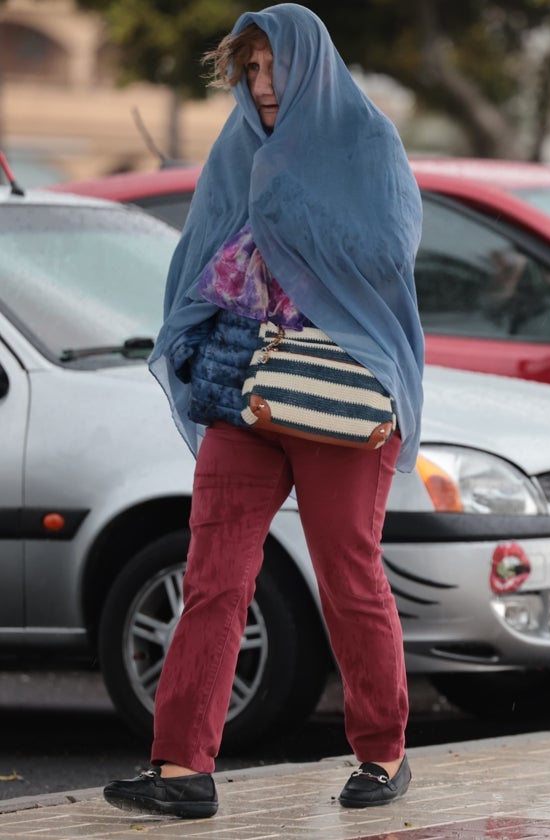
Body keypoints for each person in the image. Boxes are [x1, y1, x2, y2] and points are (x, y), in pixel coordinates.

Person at [102, 3, 424, 818]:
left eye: (274, 66)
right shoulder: (239, 145)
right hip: (242, 383)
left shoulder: (364, 140)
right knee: (213, 576)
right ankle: (182, 769)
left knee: (348, 575)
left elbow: (389, 251)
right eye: (250, 70)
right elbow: (202, 248)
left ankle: (381, 755)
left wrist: (281, 220)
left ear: (309, 65)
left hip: (340, 386)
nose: (263, 84)